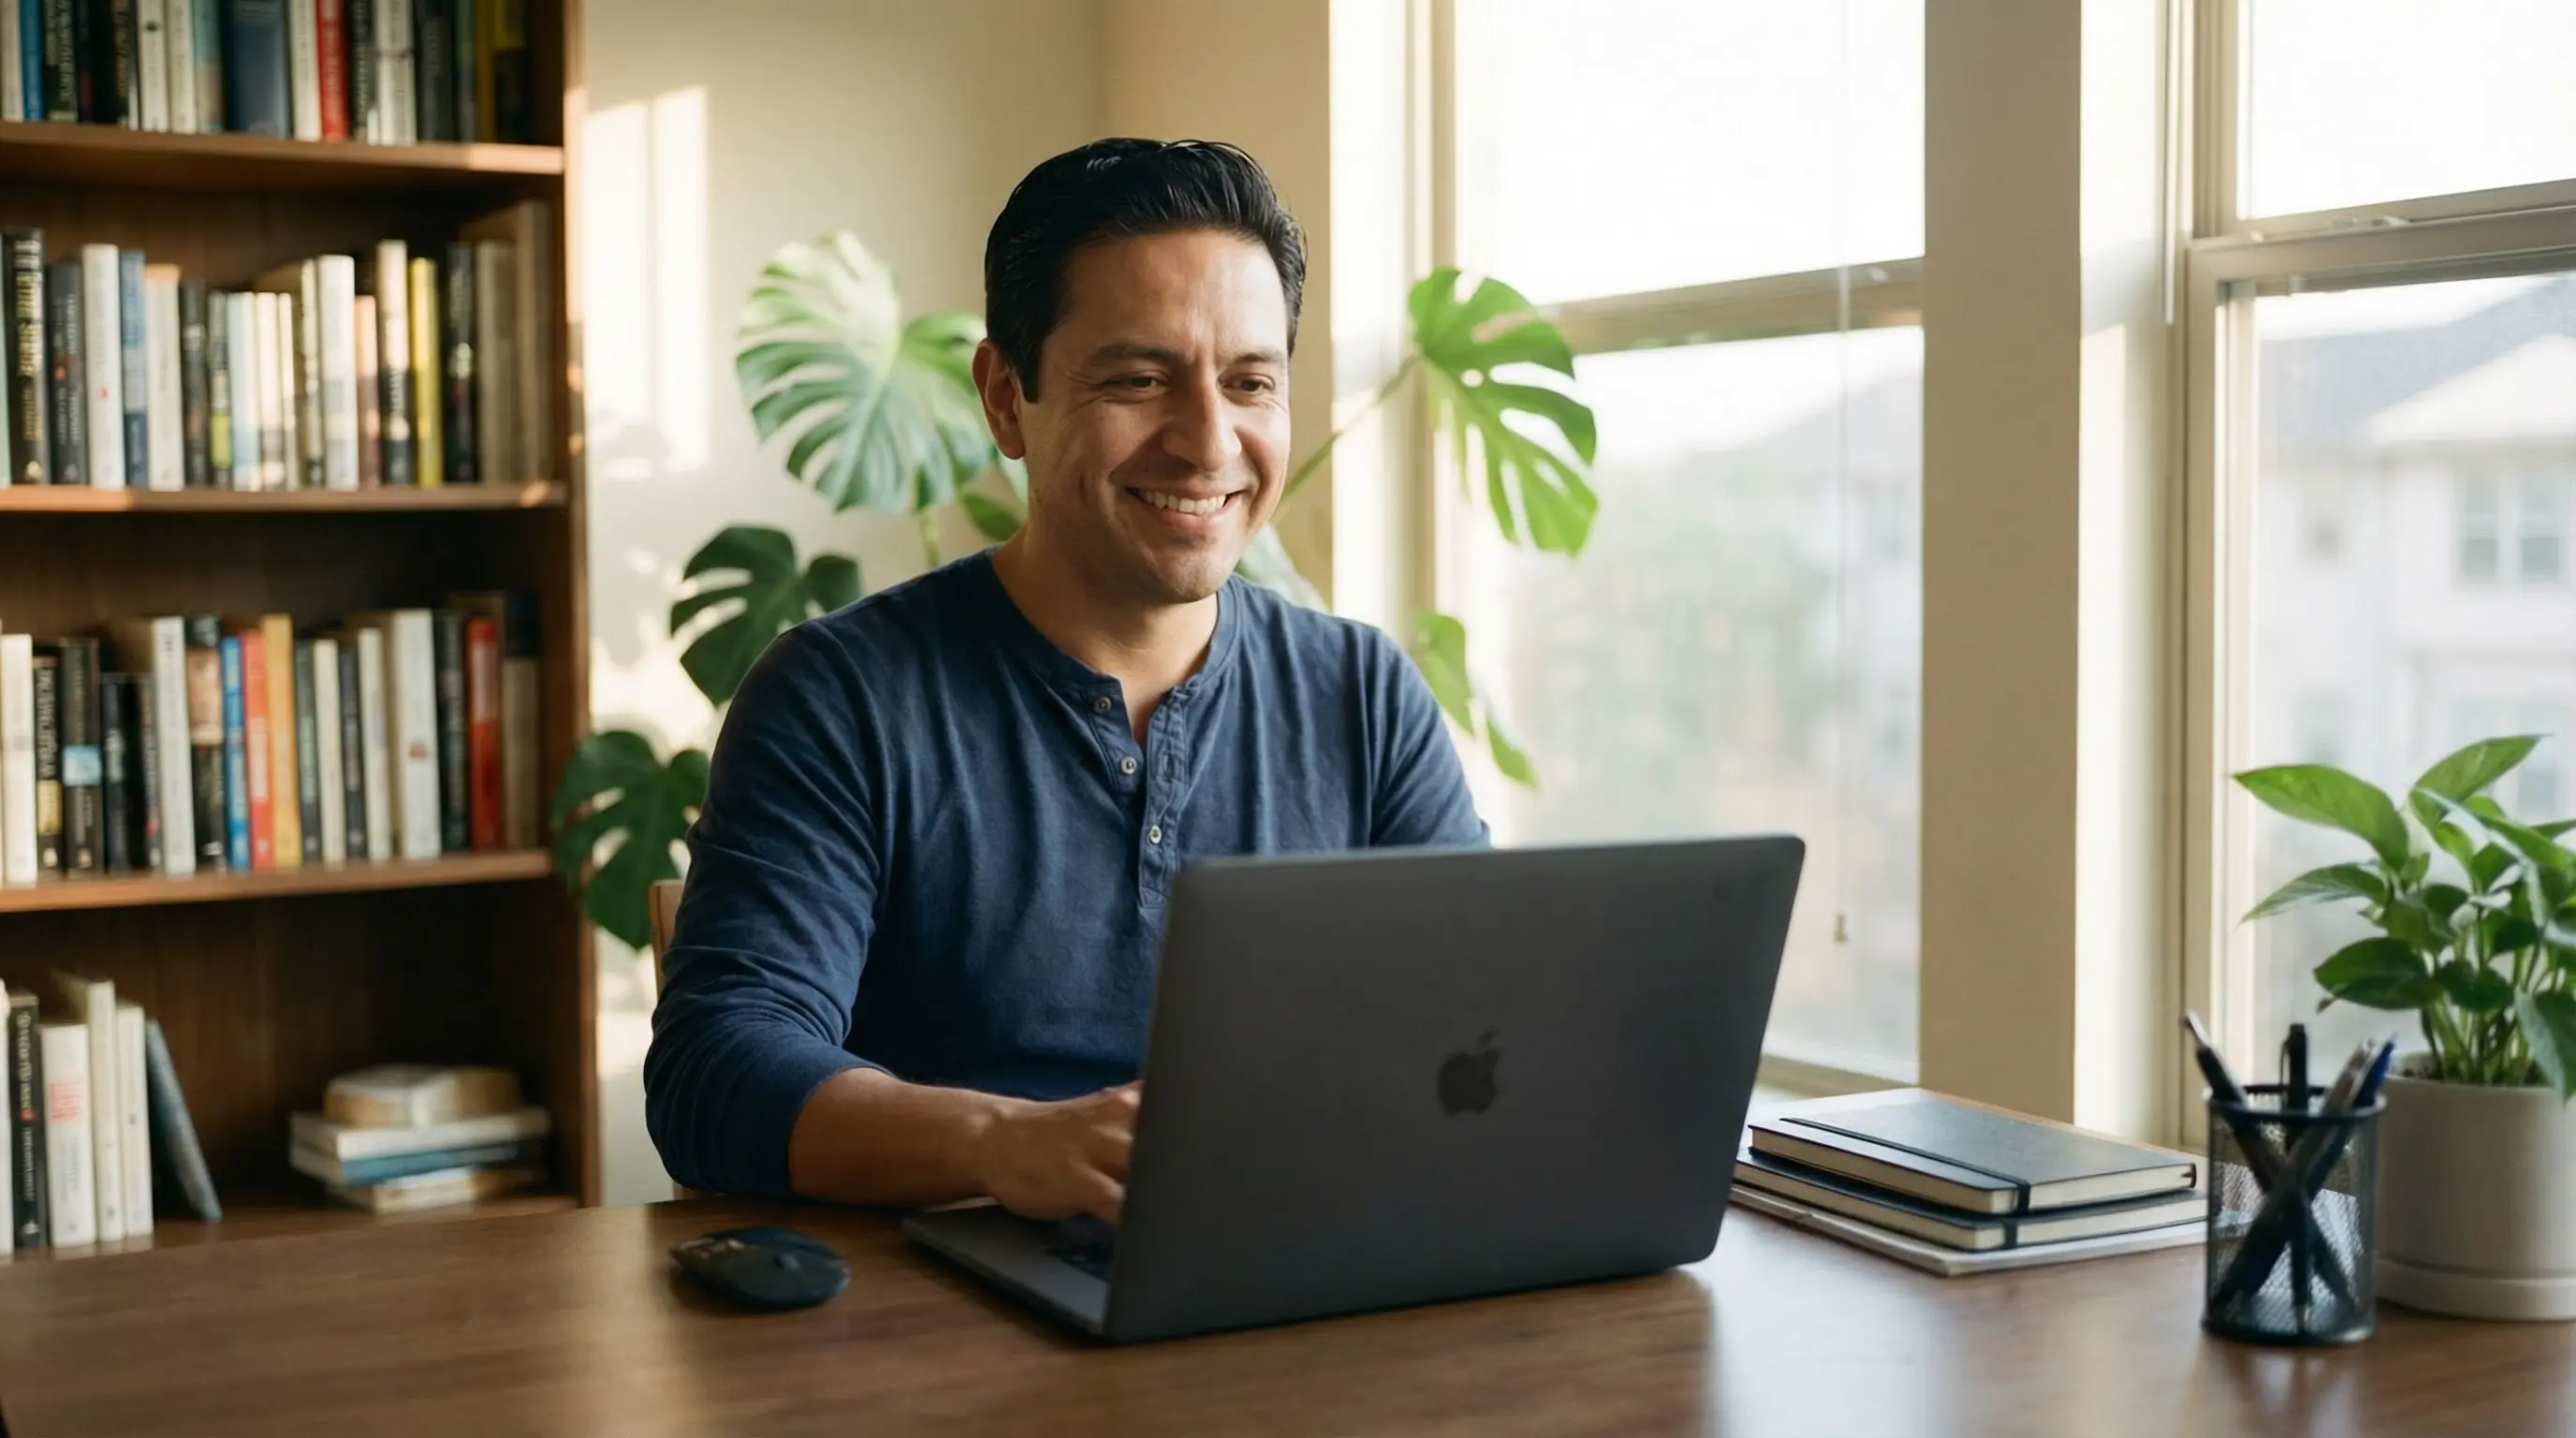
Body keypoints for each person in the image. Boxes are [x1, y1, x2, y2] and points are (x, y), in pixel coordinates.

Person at [644, 138, 1486, 1223]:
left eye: (1249, 383)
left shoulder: (1361, 692)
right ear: (1006, 398)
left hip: (1296, 1288)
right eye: (1139, 381)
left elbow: (1478, 1027)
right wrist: (1001, 1143)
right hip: (943, 1330)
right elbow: (717, 1067)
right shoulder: (840, 694)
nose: (1207, 442)